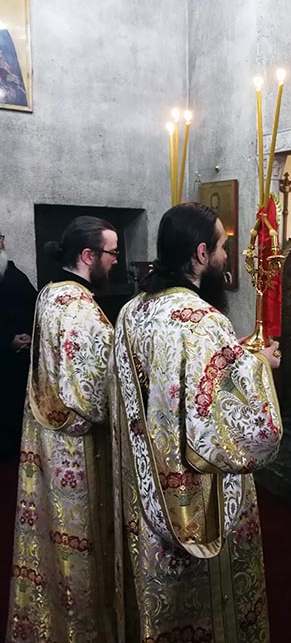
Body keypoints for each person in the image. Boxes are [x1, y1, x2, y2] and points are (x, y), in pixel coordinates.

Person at [111, 202, 282, 643]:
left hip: (146, 483)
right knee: (211, 601)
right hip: (198, 489)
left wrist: (234, 356)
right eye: (223, 247)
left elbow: (174, 383)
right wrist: (260, 366)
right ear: (202, 254)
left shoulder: (133, 311)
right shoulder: (203, 321)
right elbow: (237, 422)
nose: (226, 257)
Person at [7, 216, 119, 642]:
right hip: (74, 447)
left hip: (46, 436)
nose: (116, 261)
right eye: (112, 253)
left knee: (52, 536)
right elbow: (92, 393)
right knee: (78, 541)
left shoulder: (50, 294)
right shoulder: (78, 309)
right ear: (88, 256)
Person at [0, 232, 37, 459]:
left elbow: (33, 305)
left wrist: (31, 336)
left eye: (0, 237)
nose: (0, 242)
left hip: (20, 360)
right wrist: (7, 340)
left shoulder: (13, 272)